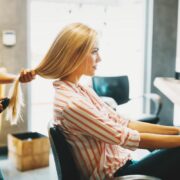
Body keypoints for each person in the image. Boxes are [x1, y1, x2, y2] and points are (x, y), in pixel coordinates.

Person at [8, 23, 180, 180]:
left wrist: (175, 131)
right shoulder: (71, 103)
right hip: (116, 174)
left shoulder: (81, 89)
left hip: (124, 164)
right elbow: (125, 137)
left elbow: (123, 122)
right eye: (94, 51)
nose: (100, 58)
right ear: (74, 55)